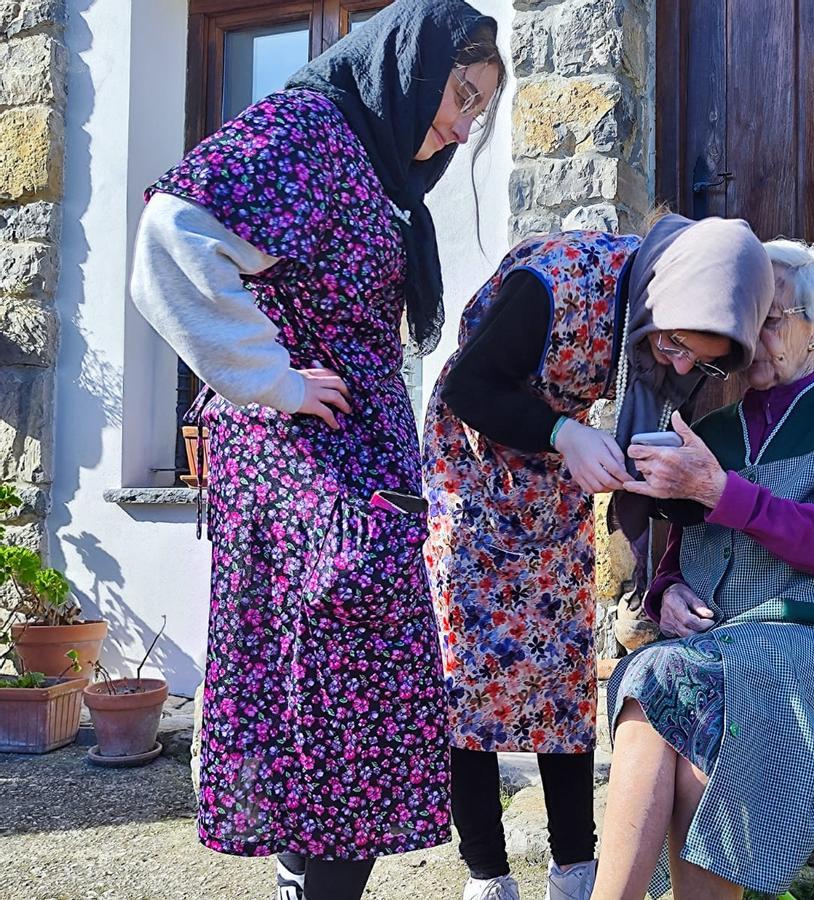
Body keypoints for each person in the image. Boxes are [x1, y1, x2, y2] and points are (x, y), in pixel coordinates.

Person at [129, 4, 505, 899]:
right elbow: (172, 237)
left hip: (343, 477)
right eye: (460, 92)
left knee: (338, 716)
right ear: (406, 67)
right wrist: (274, 379)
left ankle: (307, 877)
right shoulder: (310, 125)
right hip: (308, 477)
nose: (463, 121)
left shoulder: (373, 165)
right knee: (344, 715)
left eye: (481, 110)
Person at [422, 214, 775, 900]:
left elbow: (664, 440)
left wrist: (676, 494)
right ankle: (488, 876)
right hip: (474, 483)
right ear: (662, 297)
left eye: (696, 360)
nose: (675, 365)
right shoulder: (554, 283)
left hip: (554, 488)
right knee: (469, 685)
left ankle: (576, 873)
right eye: (671, 344)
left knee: (562, 683)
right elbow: (468, 387)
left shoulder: (679, 331)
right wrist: (561, 431)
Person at [593, 239, 814, 900]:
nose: (754, 340)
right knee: (660, 679)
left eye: (772, 320)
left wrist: (723, 493)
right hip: (722, 649)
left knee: (683, 684)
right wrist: (666, 595)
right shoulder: (709, 431)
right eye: (746, 324)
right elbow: (681, 555)